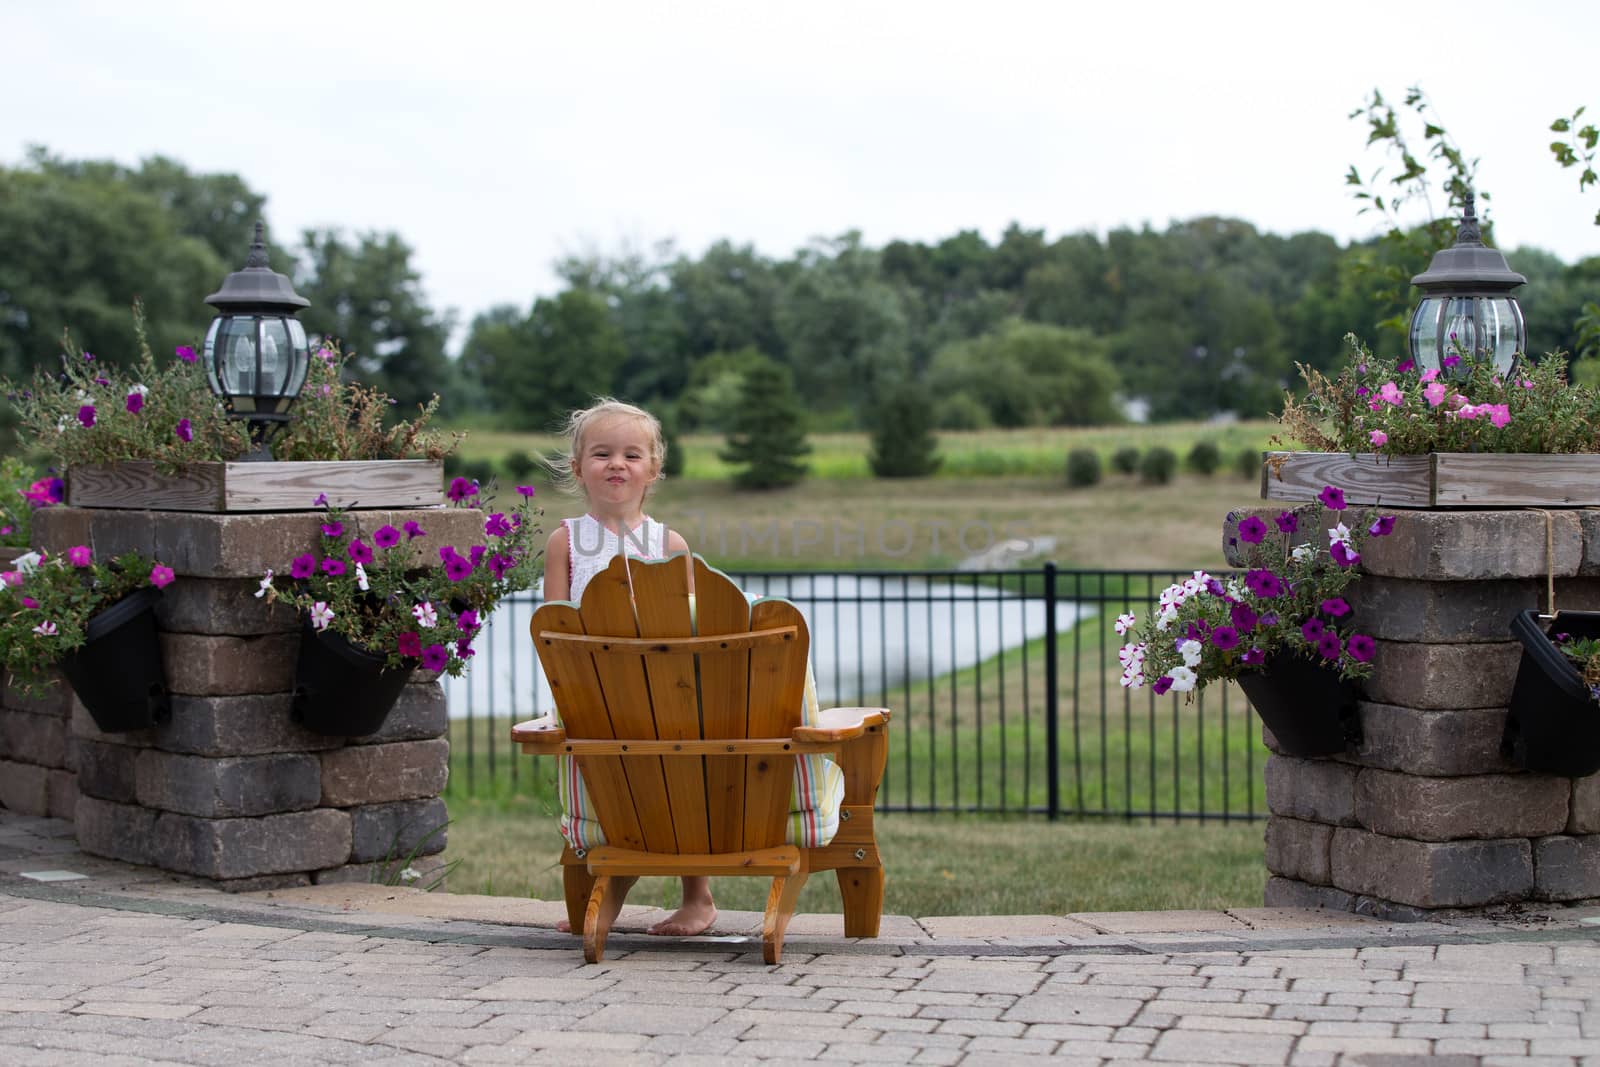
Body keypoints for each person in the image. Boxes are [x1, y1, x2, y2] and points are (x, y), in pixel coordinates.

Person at [541, 397, 842, 939]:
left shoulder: (668, 544)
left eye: (632, 455)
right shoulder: (565, 541)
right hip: (599, 698)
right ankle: (608, 882)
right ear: (577, 467)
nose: (617, 464)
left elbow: (692, 630)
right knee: (615, 775)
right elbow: (553, 632)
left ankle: (697, 898)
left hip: (668, 696)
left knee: (686, 772)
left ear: (653, 470)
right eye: (602, 453)